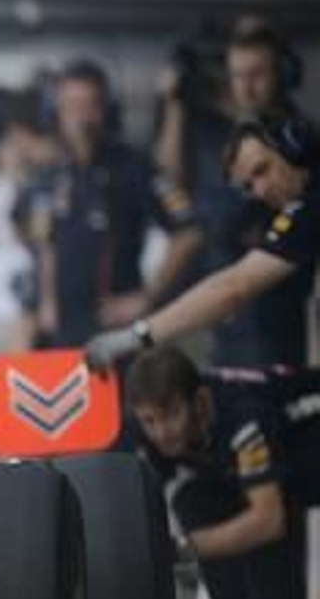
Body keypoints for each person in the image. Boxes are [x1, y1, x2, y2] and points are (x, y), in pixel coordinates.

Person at [124, 345, 319, 599]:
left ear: (200, 402)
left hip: (307, 436)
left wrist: (180, 549)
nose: (161, 431)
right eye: (149, 420)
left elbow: (268, 521)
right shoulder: (153, 437)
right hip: (286, 456)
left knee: (263, 500)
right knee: (195, 496)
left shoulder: (242, 416)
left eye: (171, 414)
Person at [87, 116, 320, 369]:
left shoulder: (310, 208)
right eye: (249, 186)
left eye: (262, 169)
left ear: (293, 147)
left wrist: (137, 336)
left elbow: (233, 288)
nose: (260, 191)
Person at [153, 23, 311, 364]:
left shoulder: (298, 139)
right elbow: (168, 177)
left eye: (257, 74)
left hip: (276, 300)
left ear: (282, 75)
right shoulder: (216, 129)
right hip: (221, 297)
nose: (246, 87)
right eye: (238, 75)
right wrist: (175, 104)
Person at [23, 59, 201, 349]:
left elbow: (189, 232)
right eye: (72, 105)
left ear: (106, 109)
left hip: (117, 334)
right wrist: (45, 302)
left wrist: (148, 296)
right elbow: (44, 242)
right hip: (60, 336)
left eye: (89, 105)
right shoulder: (48, 174)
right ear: (57, 111)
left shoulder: (135, 167)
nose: (81, 116)